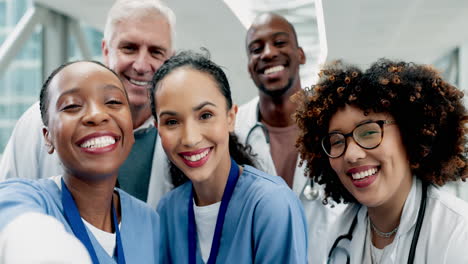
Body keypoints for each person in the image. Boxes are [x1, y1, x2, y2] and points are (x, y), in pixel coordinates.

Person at [0, 0, 175, 206]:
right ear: (106, 51)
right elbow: (8, 205)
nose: (141, 65)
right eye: (129, 48)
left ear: (169, 60)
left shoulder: (178, 132)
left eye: (156, 52)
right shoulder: (39, 121)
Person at [295, 59, 468, 263]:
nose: (351, 154)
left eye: (369, 132)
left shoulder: (458, 233)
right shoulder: (338, 233)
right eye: (336, 141)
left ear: (409, 135)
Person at [151, 51, 308, 263]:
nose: (190, 138)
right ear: (157, 129)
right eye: (171, 122)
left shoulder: (272, 205)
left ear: (230, 118)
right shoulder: (168, 210)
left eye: (205, 116)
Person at [0, 61, 160, 263]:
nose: (96, 115)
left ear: (130, 129)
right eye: (72, 105)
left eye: (113, 102)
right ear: (48, 138)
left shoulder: (148, 220)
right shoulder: (25, 197)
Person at [235, 12, 345, 263]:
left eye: (280, 42)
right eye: (256, 48)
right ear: (249, 66)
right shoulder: (234, 130)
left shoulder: (333, 124)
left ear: (301, 55)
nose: (268, 53)